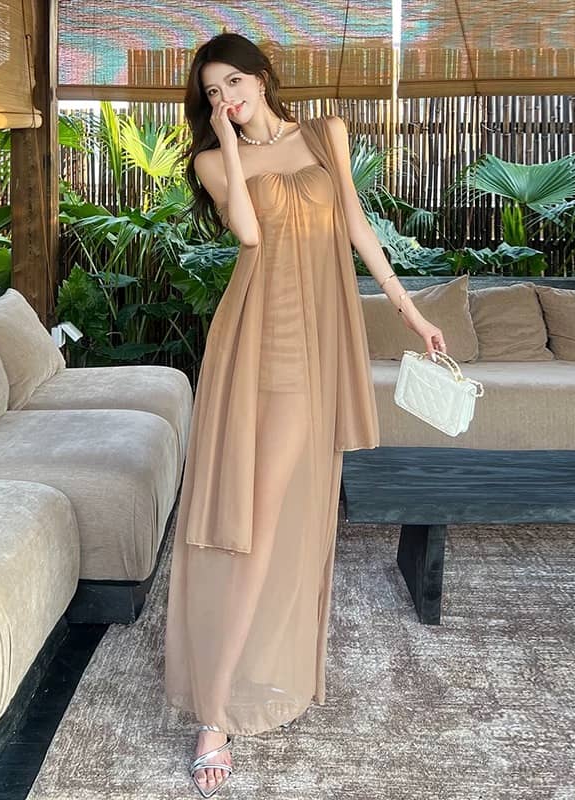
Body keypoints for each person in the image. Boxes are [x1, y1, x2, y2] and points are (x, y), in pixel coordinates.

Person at [164, 32, 446, 798]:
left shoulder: (327, 134)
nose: (225, 98)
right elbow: (249, 234)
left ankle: (240, 681)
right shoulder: (214, 161)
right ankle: (214, 713)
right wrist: (227, 141)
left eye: (233, 82)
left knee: (274, 519)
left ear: (261, 76)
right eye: (212, 93)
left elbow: (356, 229)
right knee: (247, 522)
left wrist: (411, 311)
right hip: (253, 342)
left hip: (312, 348)